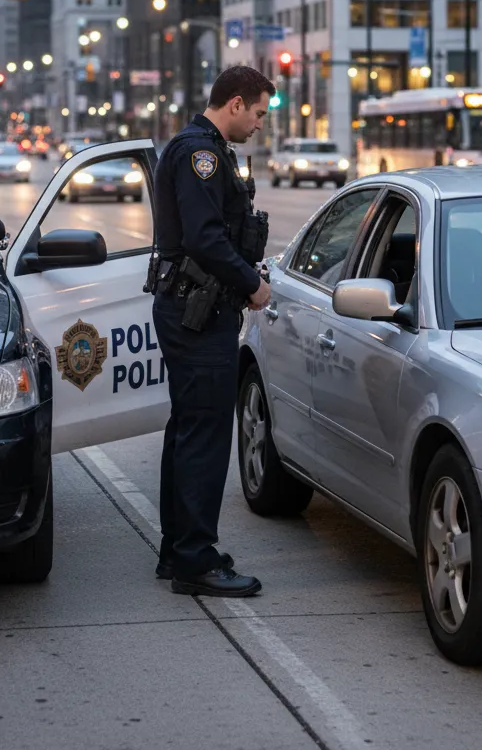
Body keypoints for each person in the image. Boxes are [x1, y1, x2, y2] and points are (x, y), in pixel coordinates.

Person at [149, 65, 274, 597]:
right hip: (198, 314)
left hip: (192, 311)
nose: (261, 125)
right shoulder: (200, 155)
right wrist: (251, 284)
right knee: (202, 437)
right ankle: (195, 562)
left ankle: (179, 550)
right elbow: (203, 238)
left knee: (187, 431)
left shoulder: (203, 149)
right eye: (260, 113)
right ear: (236, 103)